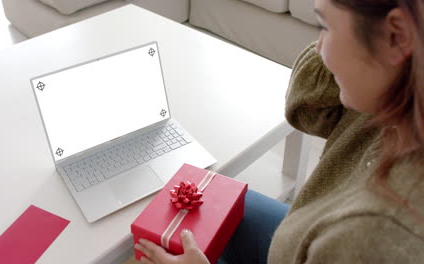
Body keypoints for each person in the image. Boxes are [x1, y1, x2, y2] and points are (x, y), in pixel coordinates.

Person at [134, 0, 424, 262]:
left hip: (323, 244)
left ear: (396, 36)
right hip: (307, 234)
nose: (318, 48)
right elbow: (306, 107)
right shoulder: (397, 93)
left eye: (324, 26)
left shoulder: (371, 236)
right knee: (211, 208)